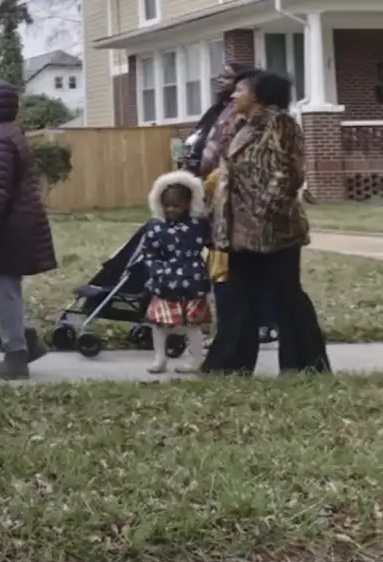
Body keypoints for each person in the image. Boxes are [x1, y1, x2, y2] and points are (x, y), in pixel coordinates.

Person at [202, 71, 330, 374]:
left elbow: (288, 175)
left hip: (274, 230)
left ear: (258, 95)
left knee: (286, 296)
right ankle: (230, 366)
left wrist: (263, 215)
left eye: (240, 90)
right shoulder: (242, 126)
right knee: (239, 297)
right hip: (239, 229)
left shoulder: (280, 124)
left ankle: (304, 364)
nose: (233, 95)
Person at [0, 81, 58, 380]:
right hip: (15, 224)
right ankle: (27, 339)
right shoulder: (8, 133)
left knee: (3, 290)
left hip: (8, 228)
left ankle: (15, 357)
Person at [187, 62, 278, 346]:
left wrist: (219, 182)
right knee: (225, 269)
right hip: (220, 202)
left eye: (234, 82)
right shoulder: (224, 114)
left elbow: (258, 169)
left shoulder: (267, 125)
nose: (223, 83)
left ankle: (260, 325)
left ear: (255, 92)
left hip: (245, 210)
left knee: (247, 269)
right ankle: (234, 332)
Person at [133, 171, 211, 374]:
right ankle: (159, 359)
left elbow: (212, 243)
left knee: (193, 324)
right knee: (158, 323)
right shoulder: (155, 227)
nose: (171, 209)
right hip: (164, 283)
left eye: (176, 205)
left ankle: (196, 360)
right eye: (166, 205)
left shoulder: (199, 225)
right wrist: (157, 270)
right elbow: (148, 253)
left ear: (189, 203)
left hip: (193, 282)